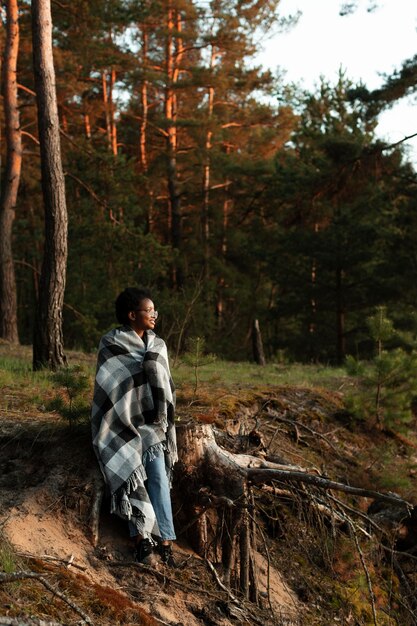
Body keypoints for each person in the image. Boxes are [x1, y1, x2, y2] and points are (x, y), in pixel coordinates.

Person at [91, 287, 177, 566]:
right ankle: (141, 539)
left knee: (158, 476)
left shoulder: (158, 345)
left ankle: (164, 540)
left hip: (152, 427)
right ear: (132, 315)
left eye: (155, 311)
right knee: (131, 474)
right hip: (119, 425)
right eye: (148, 311)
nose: (154, 315)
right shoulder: (111, 343)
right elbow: (110, 389)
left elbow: (166, 390)